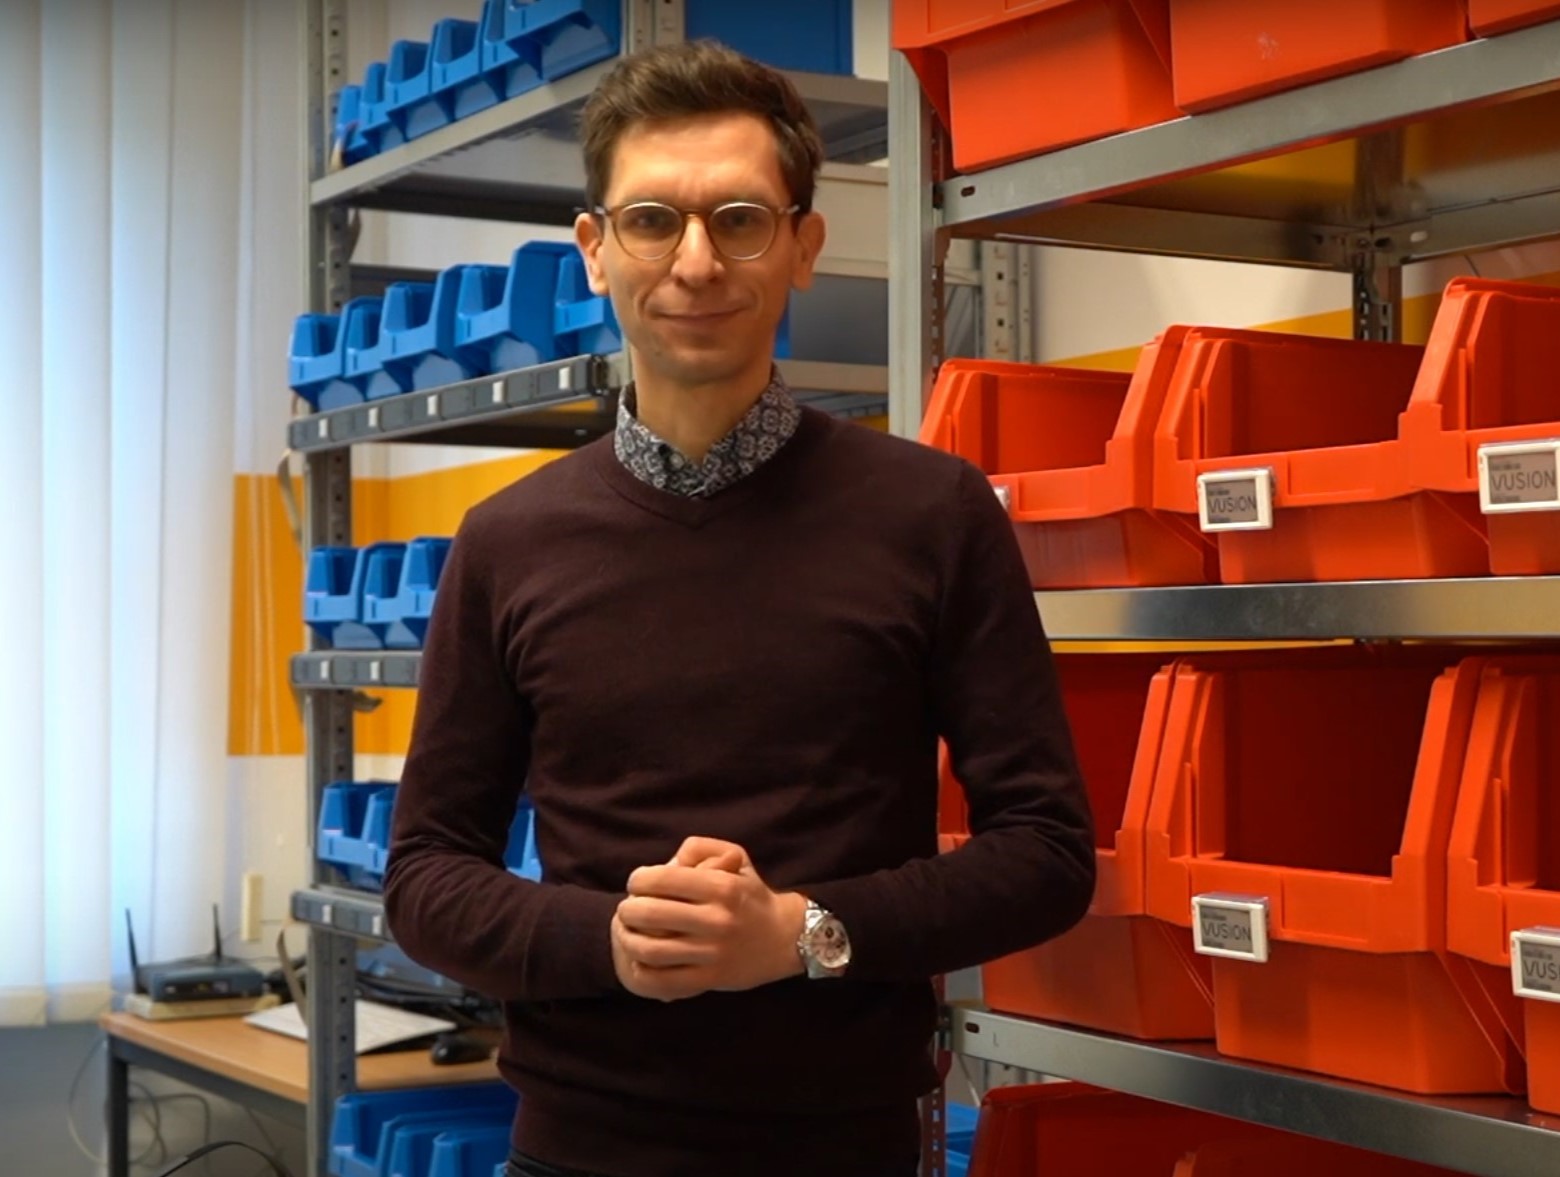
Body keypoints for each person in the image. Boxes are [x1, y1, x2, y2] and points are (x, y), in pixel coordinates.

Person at [382, 40, 1096, 1177]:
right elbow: (424, 873)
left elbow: (1049, 852)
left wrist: (805, 932)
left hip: (842, 1148)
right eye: (654, 219)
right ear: (595, 251)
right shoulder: (508, 540)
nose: (697, 262)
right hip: (575, 1149)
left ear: (805, 245)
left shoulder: (932, 512)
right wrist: (607, 940)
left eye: (742, 219)